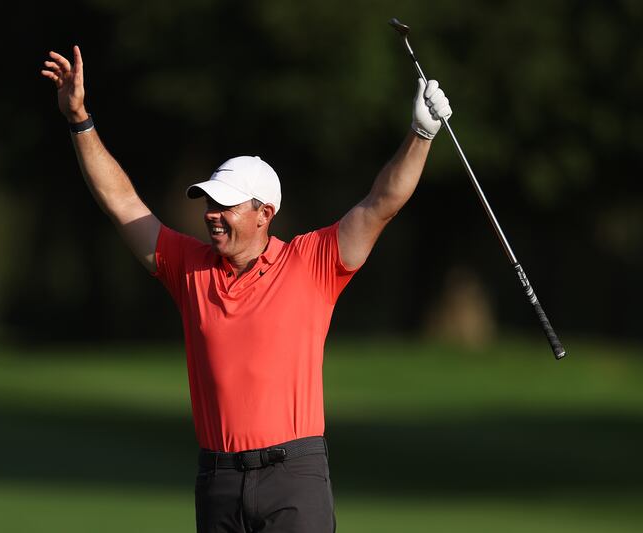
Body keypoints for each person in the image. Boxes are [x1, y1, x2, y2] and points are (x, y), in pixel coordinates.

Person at [42, 45, 452, 533]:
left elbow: (381, 203)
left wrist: (421, 134)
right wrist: (80, 120)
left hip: (293, 478)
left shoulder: (311, 263)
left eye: (227, 204)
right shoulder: (188, 267)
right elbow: (119, 201)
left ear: (264, 214)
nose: (213, 213)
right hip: (218, 480)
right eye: (209, 202)